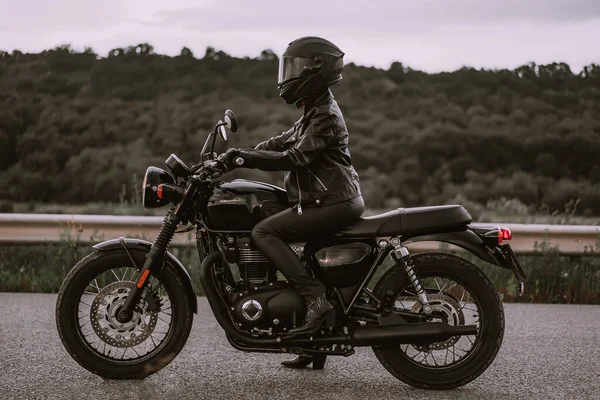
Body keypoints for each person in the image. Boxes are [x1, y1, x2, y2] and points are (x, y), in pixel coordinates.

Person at [219, 36, 364, 369]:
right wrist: (236, 155)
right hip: (328, 199)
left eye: (295, 68)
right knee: (304, 254)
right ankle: (314, 344)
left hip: (333, 202)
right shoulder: (314, 109)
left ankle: (317, 301)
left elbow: (296, 157)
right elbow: (279, 141)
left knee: (264, 233)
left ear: (317, 70)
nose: (289, 75)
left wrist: (242, 159)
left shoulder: (324, 114)